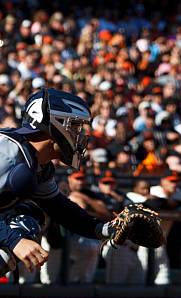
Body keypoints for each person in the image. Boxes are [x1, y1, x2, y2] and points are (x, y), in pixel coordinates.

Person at [0, 88, 128, 284]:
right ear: (55, 124)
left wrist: (105, 229)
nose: (79, 134)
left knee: (29, 218)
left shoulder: (37, 164)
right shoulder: (8, 153)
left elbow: (61, 210)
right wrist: (13, 240)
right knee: (20, 228)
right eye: (75, 126)